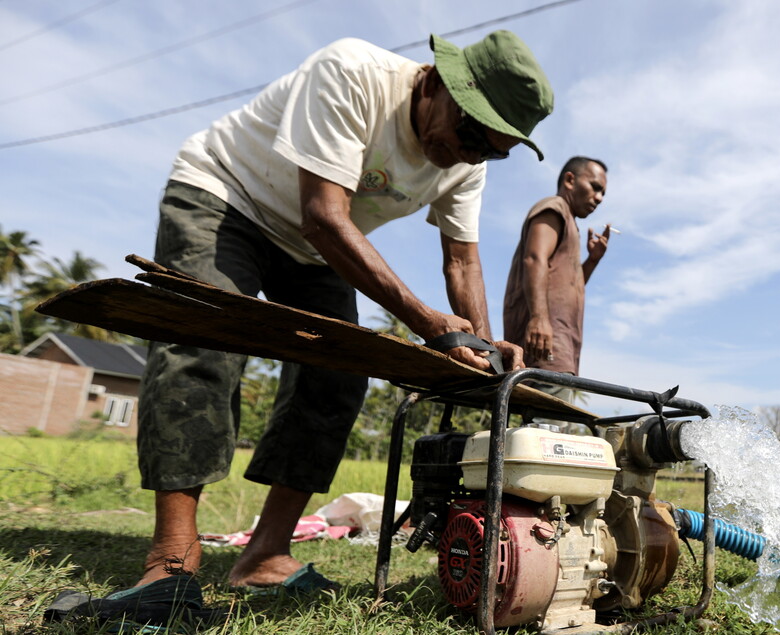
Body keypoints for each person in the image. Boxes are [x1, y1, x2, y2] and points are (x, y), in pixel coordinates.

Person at [130, 31, 553, 593]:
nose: (470, 153)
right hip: (228, 196)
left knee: (338, 374)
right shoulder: (353, 72)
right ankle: (170, 560)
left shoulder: (466, 164)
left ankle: (264, 556)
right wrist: (427, 321)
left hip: (311, 246)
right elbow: (324, 217)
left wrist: (484, 343)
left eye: (492, 149)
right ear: (432, 81)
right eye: (470, 130)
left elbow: (461, 261)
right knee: (205, 341)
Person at [502, 156, 610, 425]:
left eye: (603, 193)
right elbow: (534, 258)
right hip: (545, 347)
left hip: (560, 350)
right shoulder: (554, 208)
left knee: (549, 434)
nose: (599, 198)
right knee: (546, 438)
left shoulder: (569, 222)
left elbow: (568, 287)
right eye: (595, 187)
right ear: (570, 180)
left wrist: (593, 260)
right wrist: (539, 318)